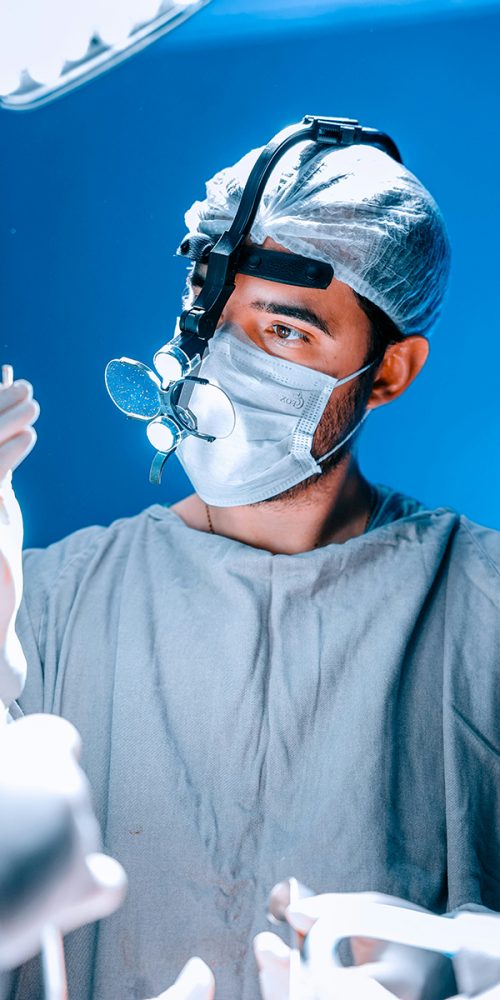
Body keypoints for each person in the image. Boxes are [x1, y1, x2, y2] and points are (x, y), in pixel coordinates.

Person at [2, 133, 500, 1000]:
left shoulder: (479, 609)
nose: (223, 364)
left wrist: (476, 971)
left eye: (285, 329)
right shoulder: (41, 610)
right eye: (212, 313)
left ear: (389, 372)